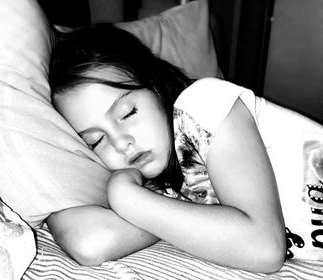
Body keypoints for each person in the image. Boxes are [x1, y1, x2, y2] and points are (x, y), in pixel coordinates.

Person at [47, 24, 321, 273]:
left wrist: (127, 198)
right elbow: (89, 243)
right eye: (96, 140)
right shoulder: (162, 188)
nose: (121, 143)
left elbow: (264, 247)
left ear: (155, 86)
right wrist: (128, 193)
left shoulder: (203, 105)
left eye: (127, 113)